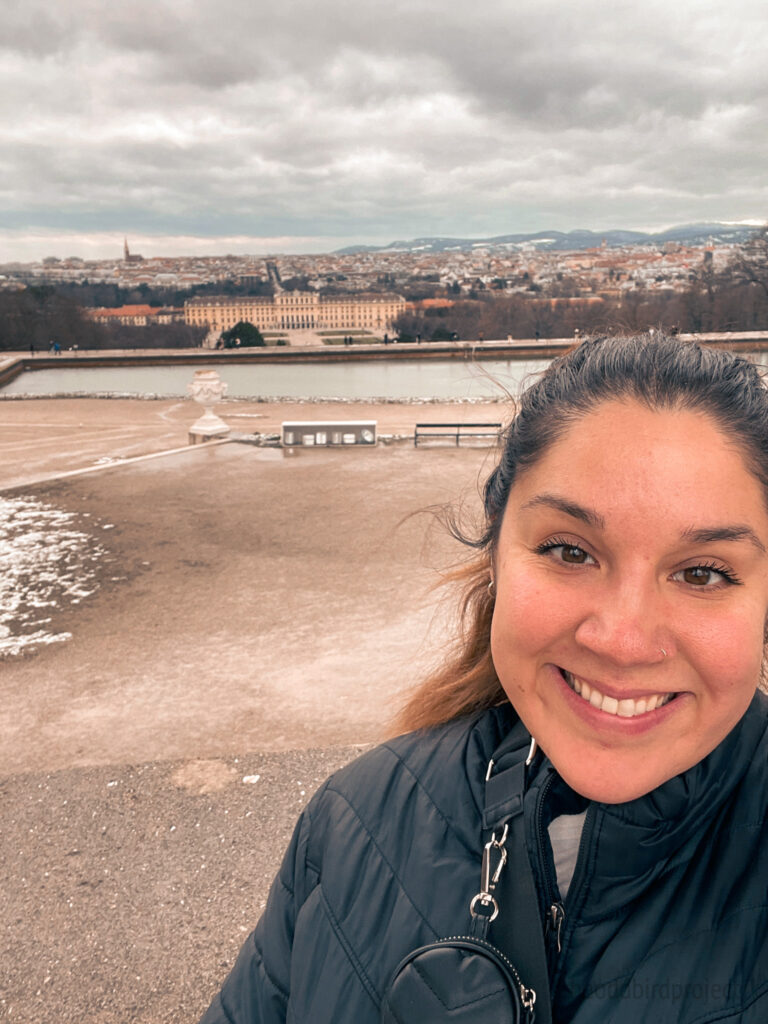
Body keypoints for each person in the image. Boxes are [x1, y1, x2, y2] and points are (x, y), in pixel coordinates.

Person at [199, 334, 768, 1024]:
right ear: (495, 555)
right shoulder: (352, 822)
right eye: (569, 551)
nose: (622, 640)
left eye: (702, 573)